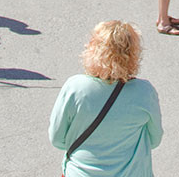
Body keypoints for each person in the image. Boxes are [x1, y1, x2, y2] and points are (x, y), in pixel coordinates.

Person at [50, 21, 163, 177]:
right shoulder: (144, 92)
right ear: (133, 53)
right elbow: (154, 140)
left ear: (93, 48)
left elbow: (57, 138)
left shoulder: (75, 88)